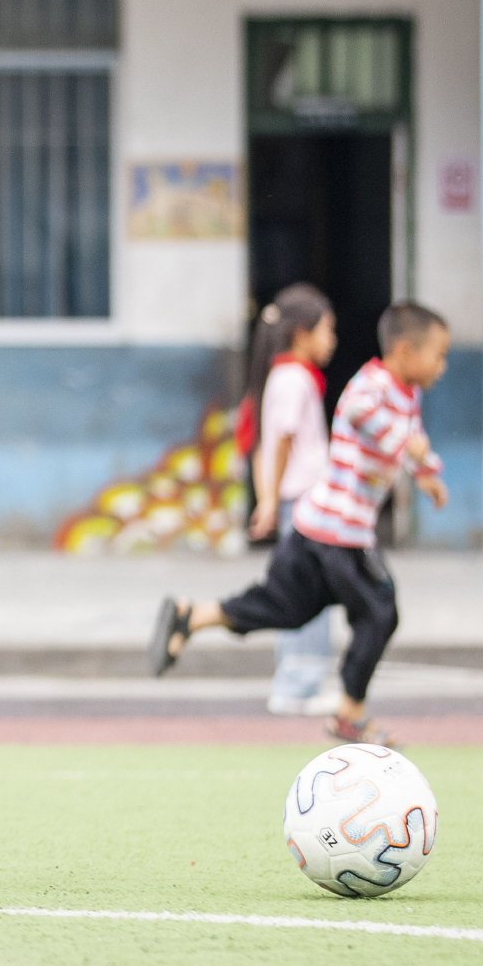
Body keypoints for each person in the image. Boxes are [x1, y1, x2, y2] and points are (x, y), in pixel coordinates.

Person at [150, 302, 451, 746]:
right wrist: (412, 448)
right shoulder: (370, 385)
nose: (442, 366)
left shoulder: (409, 395)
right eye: (438, 355)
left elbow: (409, 446)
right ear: (406, 351)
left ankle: (192, 616)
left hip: (318, 526)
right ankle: (350, 716)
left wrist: (427, 475)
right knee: (379, 611)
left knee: (285, 608)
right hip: (337, 532)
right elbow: (362, 416)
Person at [241, 284, 338, 716]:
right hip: (302, 499)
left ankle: (299, 679)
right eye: (327, 330)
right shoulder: (293, 379)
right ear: (302, 333)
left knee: (307, 589)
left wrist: (267, 498)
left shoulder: (286, 377)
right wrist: (271, 499)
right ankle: (299, 683)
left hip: (299, 498)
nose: (332, 340)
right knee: (309, 592)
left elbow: (267, 443)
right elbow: (277, 442)